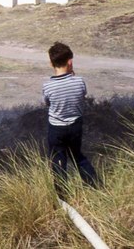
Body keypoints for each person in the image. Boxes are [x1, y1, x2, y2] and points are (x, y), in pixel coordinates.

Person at [42, 42, 98, 198]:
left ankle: (62, 197)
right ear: (70, 61)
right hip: (75, 126)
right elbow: (82, 95)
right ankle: (95, 186)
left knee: (58, 161)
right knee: (78, 156)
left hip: (56, 129)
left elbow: (47, 103)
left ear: (51, 63)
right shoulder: (79, 82)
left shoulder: (48, 86)